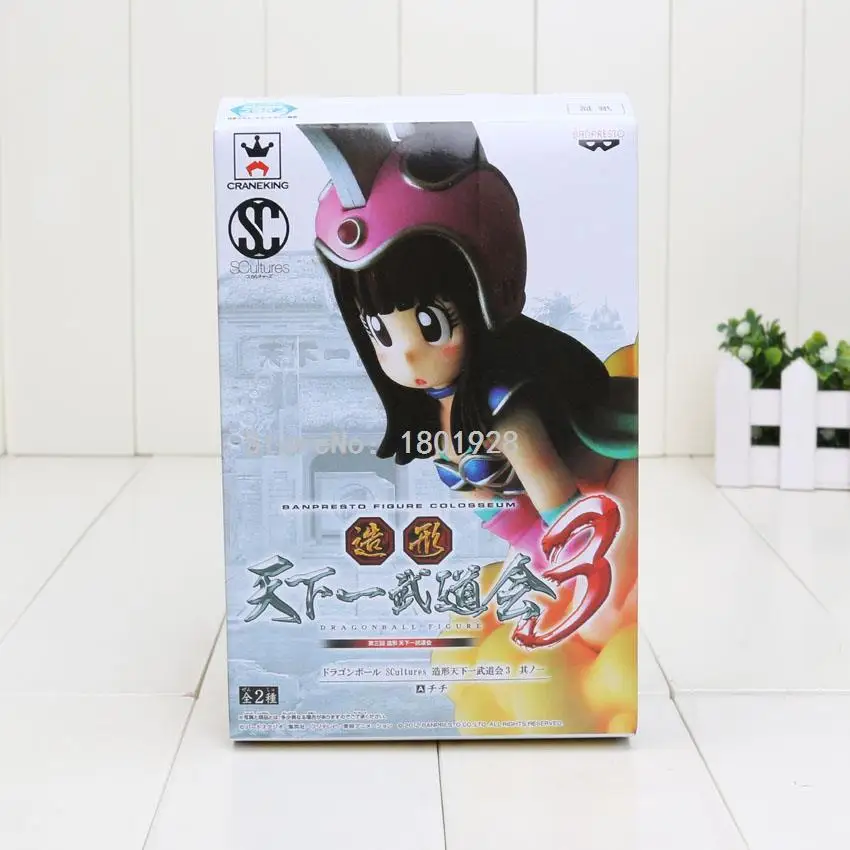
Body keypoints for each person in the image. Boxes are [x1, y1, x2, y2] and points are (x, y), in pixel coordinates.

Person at [300, 120, 637, 650]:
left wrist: (559, 572)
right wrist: (533, 561)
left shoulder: (506, 412)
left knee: (599, 621)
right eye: (380, 332)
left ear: (488, 295)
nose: (406, 354)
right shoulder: (434, 410)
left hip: (615, 485)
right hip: (557, 524)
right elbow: (506, 516)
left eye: (431, 324)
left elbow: (564, 512)